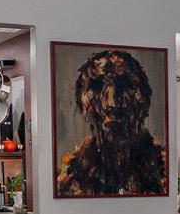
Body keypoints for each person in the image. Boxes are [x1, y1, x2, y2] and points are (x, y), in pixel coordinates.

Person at [54, 49, 168, 196]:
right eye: (97, 86)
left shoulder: (164, 171)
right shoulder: (70, 180)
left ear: (144, 102)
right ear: (83, 106)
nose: (112, 103)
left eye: (124, 85)